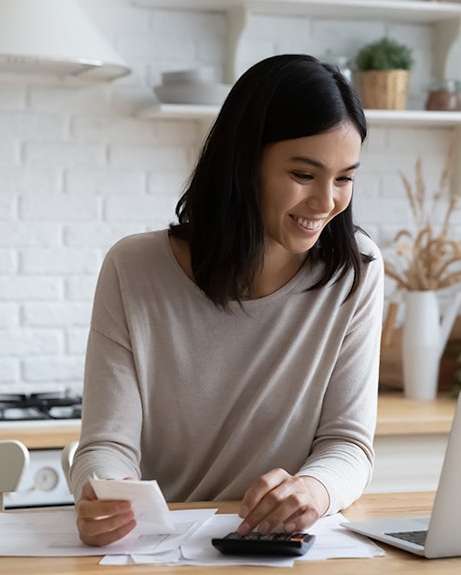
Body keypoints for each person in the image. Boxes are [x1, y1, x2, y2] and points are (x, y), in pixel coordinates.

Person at [69, 54, 384, 547]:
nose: (327, 202)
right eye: (304, 174)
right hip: (162, 550)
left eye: (344, 178)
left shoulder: (355, 270)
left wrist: (314, 491)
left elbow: (348, 443)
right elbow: (106, 445)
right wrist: (104, 492)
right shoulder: (133, 270)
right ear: (244, 163)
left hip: (289, 550)